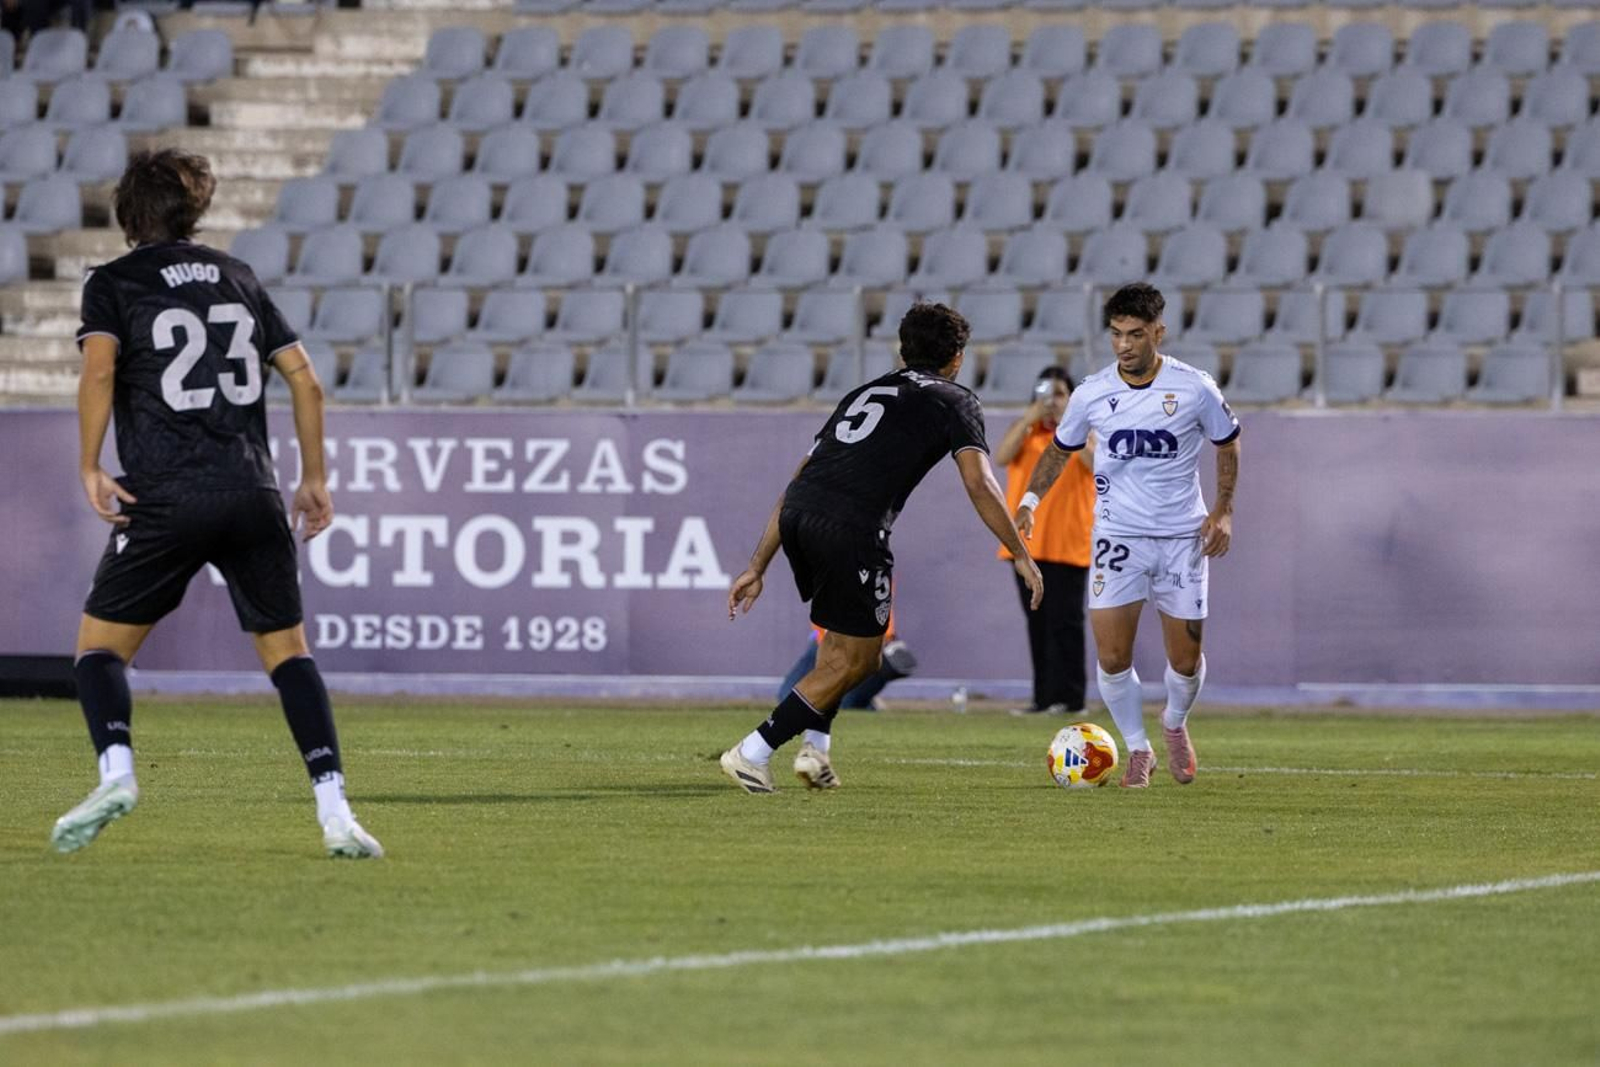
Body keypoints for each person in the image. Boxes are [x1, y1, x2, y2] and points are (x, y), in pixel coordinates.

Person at [52, 148, 383, 858]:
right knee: (290, 655)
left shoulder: (113, 282)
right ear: (193, 211)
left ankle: (116, 772)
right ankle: (336, 811)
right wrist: (314, 477)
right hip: (252, 490)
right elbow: (306, 381)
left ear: (129, 214)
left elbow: (100, 369)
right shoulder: (238, 277)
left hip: (166, 492)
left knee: (98, 652)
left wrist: (87, 464)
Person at [722, 303, 1043, 793]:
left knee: (837, 647)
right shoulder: (955, 399)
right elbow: (979, 482)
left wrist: (757, 564)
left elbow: (800, 477)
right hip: (851, 528)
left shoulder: (863, 392)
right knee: (860, 661)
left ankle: (816, 752)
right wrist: (1019, 551)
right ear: (957, 358)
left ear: (902, 349)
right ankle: (753, 751)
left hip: (798, 515)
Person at [1014, 283, 1240, 788]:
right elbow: (1060, 449)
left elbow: (1228, 443)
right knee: (1113, 656)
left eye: (1135, 334)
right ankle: (1138, 749)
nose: (1124, 345)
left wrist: (1223, 510)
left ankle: (1175, 723)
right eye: (1116, 334)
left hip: (1183, 537)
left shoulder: (1194, 388)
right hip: (1117, 537)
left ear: (1158, 332)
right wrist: (1029, 502)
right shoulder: (1093, 392)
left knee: (1183, 660)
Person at [993, 365, 1096, 717]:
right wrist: (1030, 417)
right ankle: (1042, 698)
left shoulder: (1084, 434)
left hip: (1068, 545)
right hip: (1026, 547)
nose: (1053, 402)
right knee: (1037, 623)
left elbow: (1097, 464)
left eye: (1061, 395)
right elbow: (1002, 457)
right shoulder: (1027, 432)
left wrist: (1070, 424)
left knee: (1066, 624)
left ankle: (1071, 699)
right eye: (1048, 395)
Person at [777, 621, 917, 712]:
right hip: (824, 641)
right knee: (788, 697)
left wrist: (885, 637)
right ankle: (859, 698)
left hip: (863, 641)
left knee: (841, 705)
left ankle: (861, 700)